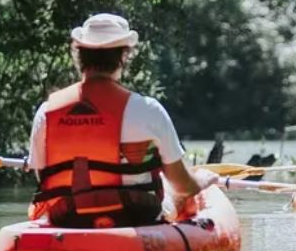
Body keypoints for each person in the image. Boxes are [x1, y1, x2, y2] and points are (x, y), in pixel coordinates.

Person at [26, 13, 216, 228]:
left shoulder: (46, 112)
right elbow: (183, 185)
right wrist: (202, 181)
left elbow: (43, 176)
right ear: (124, 56)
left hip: (68, 217)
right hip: (135, 215)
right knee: (182, 193)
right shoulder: (148, 109)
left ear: (78, 55)